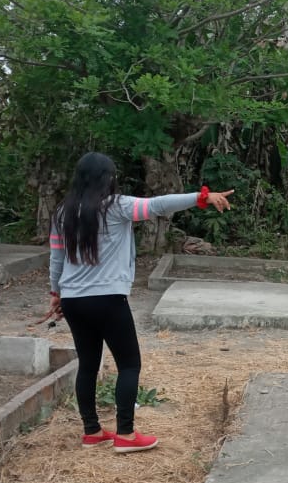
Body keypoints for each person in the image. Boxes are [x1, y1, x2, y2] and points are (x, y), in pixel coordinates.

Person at [47, 152, 233, 453]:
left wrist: (56, 293)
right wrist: (201, 197)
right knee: (129, 364)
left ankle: (92, 431)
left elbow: (56, 257)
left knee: (88, 365)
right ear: (108, 179)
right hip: (108, 299)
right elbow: (158, 205)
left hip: (73, 301)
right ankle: (126, 434)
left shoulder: (62, 212)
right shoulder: (115, 206)